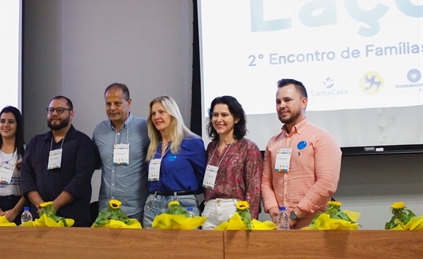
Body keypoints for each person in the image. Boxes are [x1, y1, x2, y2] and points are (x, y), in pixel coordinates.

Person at [261, 79, 342, 229]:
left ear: (304, 102)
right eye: (278, 102)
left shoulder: (321, 138)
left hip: (314, 225)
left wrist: (295, 214)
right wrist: (274, 212)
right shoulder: (273, 143)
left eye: (287, 100)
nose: (282, 106)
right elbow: (266, 183)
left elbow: (326, 184)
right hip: (280, 227)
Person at [20, 96, 96, 227]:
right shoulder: (36, 142)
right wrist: (42, 206)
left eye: (60, 110)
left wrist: (53, 206)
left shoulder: (83, 142)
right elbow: (26, 176)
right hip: (39, 218)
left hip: (73, 220)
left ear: (71, 114)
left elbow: (81, 179)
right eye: (51, 110)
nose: (54, 114)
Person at [143, 96, 206, 228]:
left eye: (161, 112)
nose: (156, 117)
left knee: (184, 248)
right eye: (153, 114)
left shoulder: (192, 142)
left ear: (172, 114)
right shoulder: (153, 146)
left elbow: (202, 178)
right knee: (151, 247)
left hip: (182, 205)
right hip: (153, 204)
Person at [201, 96, 262, 229]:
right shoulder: (211, 148)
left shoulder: (248, 147)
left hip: (235, 210)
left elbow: (254, 189)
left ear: (236, 118)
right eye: (215, 115)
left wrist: (249, 220)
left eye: (224, 115)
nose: (219, 119)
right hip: (210, 210)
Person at [93, 83, 149, 224]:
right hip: (106, 210)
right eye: (108, 104)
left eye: (117, 103)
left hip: (137, 210)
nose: (112, 108)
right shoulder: (99, 131)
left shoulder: (146, 128)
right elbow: (95, 164)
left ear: (128, 102)